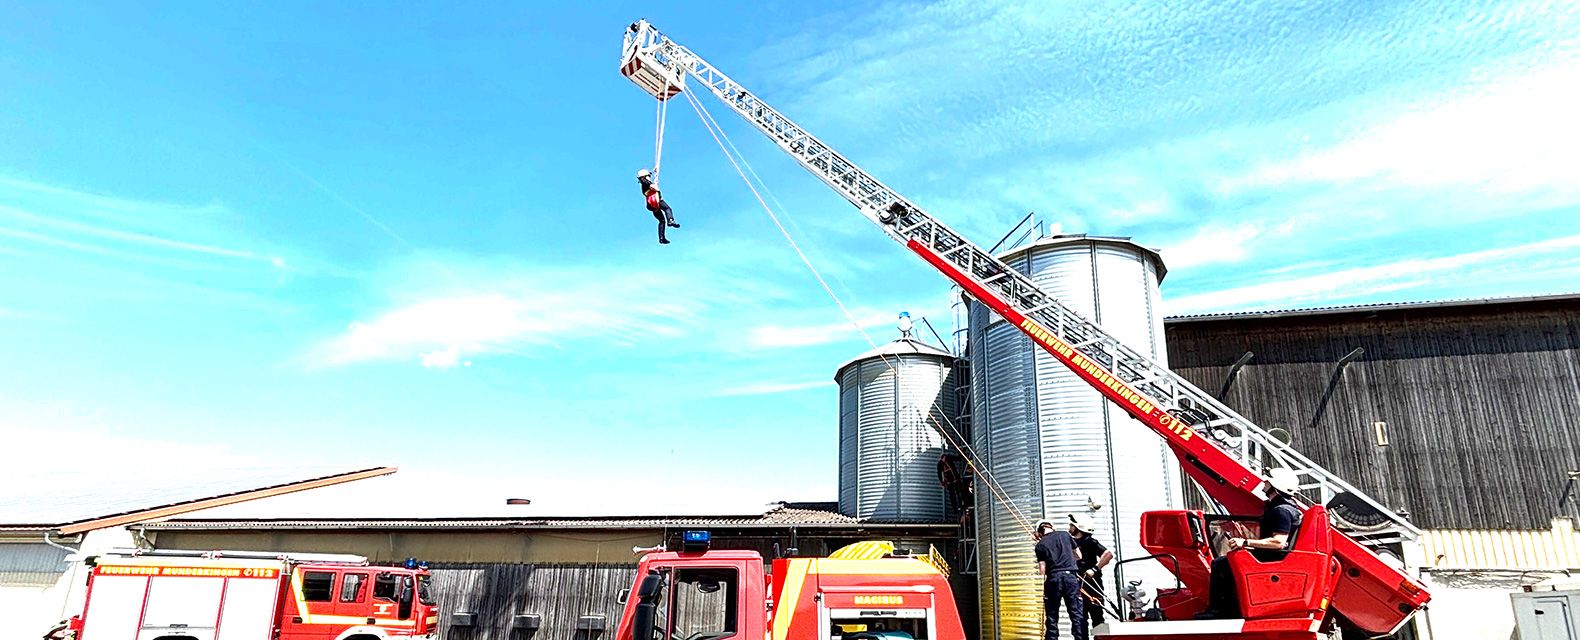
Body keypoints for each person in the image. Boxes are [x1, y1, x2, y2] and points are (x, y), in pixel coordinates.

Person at [1197, 467, 1305, 619]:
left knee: (1221, 564)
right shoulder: (1288, 509)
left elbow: (1279, 542)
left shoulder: (1281, 511)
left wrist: (1245, 542)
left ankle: (1220, 611)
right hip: (1274, 556)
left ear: (1275, 487)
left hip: (1272, 557)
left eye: (1268, 481)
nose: (1264, 483)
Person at [1035, 518, 1087, 640]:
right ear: (1052, 527)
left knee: (1052, 616)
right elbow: (1079, 556)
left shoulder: (1040, 545)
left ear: (1039, 532)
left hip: (1053, 580)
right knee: (1076, 614)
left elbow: (1042, 570)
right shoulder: (1065, 535)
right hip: (1071, 578)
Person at [1069, 514, 1114, 628]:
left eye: (1072, 525)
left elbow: (1108, 554)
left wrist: (1095, 568)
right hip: (1077, 586)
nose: (1069, 527)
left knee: (1097, 617)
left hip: (1093, 584)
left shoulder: (1090, 542)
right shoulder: (1069, 543)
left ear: (1079, 527)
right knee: (1079, 620)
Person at [637, 168, 679, 244]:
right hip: (655, 201)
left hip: (651, 205)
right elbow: (652, 187)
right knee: (668, 209)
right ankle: (670, 220)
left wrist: (655, 173)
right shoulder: (645, 181)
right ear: (645, 175)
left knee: (661, 221)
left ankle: (662, 238)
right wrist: (655, 186)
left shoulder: (644, 183)